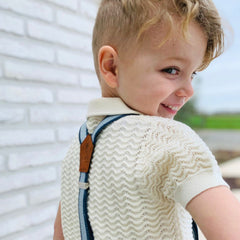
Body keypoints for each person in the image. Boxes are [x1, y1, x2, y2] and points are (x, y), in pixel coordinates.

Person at [54, 0, 240, 239]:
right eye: (172, 70)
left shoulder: (79, 148)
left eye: (192, 74)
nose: (188, 90)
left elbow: (62, 232)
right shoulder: (169, 140)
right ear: (111, 67)